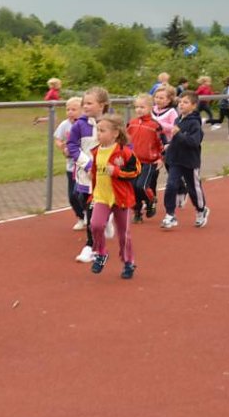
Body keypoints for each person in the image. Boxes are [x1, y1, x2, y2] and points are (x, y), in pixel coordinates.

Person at [88, 114, 140, 279]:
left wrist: (117, 171)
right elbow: (96, 172)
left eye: (102, 131)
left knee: (123, 233)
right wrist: (92, 176)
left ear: (115, 133)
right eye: (98, 130)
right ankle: (101, 253)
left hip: (120, 199)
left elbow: (136, 171)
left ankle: (128, 262)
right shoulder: (96, 151)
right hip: (101, 197)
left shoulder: (124, 152)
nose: (98, 134)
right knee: (95, 225)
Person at [68, 87, 109, 263]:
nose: (85, 106)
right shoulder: (79, 125)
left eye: (89, 103)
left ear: (102, 105)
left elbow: (123, 144)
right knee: (80, 199)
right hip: (85, 174)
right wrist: (87, 164)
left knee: (93, 211)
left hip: (105, 175)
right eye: (84, 103)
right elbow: (72, 147)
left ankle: (90, 246)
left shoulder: (110, 123)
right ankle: (103, 221)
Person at [160, 91, 210, 230]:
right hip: (175, 160)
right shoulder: (178, 120)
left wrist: (179, 135)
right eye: (180, 101)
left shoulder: (195, 123)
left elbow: (194, 142)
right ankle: (170, 214)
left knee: (194, 188)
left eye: (186, 102)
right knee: (170, 186)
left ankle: (201, 210)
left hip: (190, 161)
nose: (181, 104)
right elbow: (177, 139)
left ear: (194, 106)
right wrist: (169, 146)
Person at [127, 94, 164, 223]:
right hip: (133, 162)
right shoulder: (131, 124)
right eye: (136, 107)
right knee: (131, 188)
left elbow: (161, 143)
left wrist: (161, 158)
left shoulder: (155, 125)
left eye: (142, 107)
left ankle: (150, 200)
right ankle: (137, 212)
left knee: (141, 186)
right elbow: (126, 141)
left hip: (149, 162)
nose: (138, 110)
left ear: (150, 108)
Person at [54, 97, 86, 230]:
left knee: (81, 194)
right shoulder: (65, 124)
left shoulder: (86, 124)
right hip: (71, 166)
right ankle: (80, 217)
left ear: (82, 110)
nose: (70, 112)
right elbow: (57, 138)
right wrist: (62, 147)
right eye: (68, 109)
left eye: (74, 109)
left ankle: (91, 214)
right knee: (72, 197)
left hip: (84, 167)